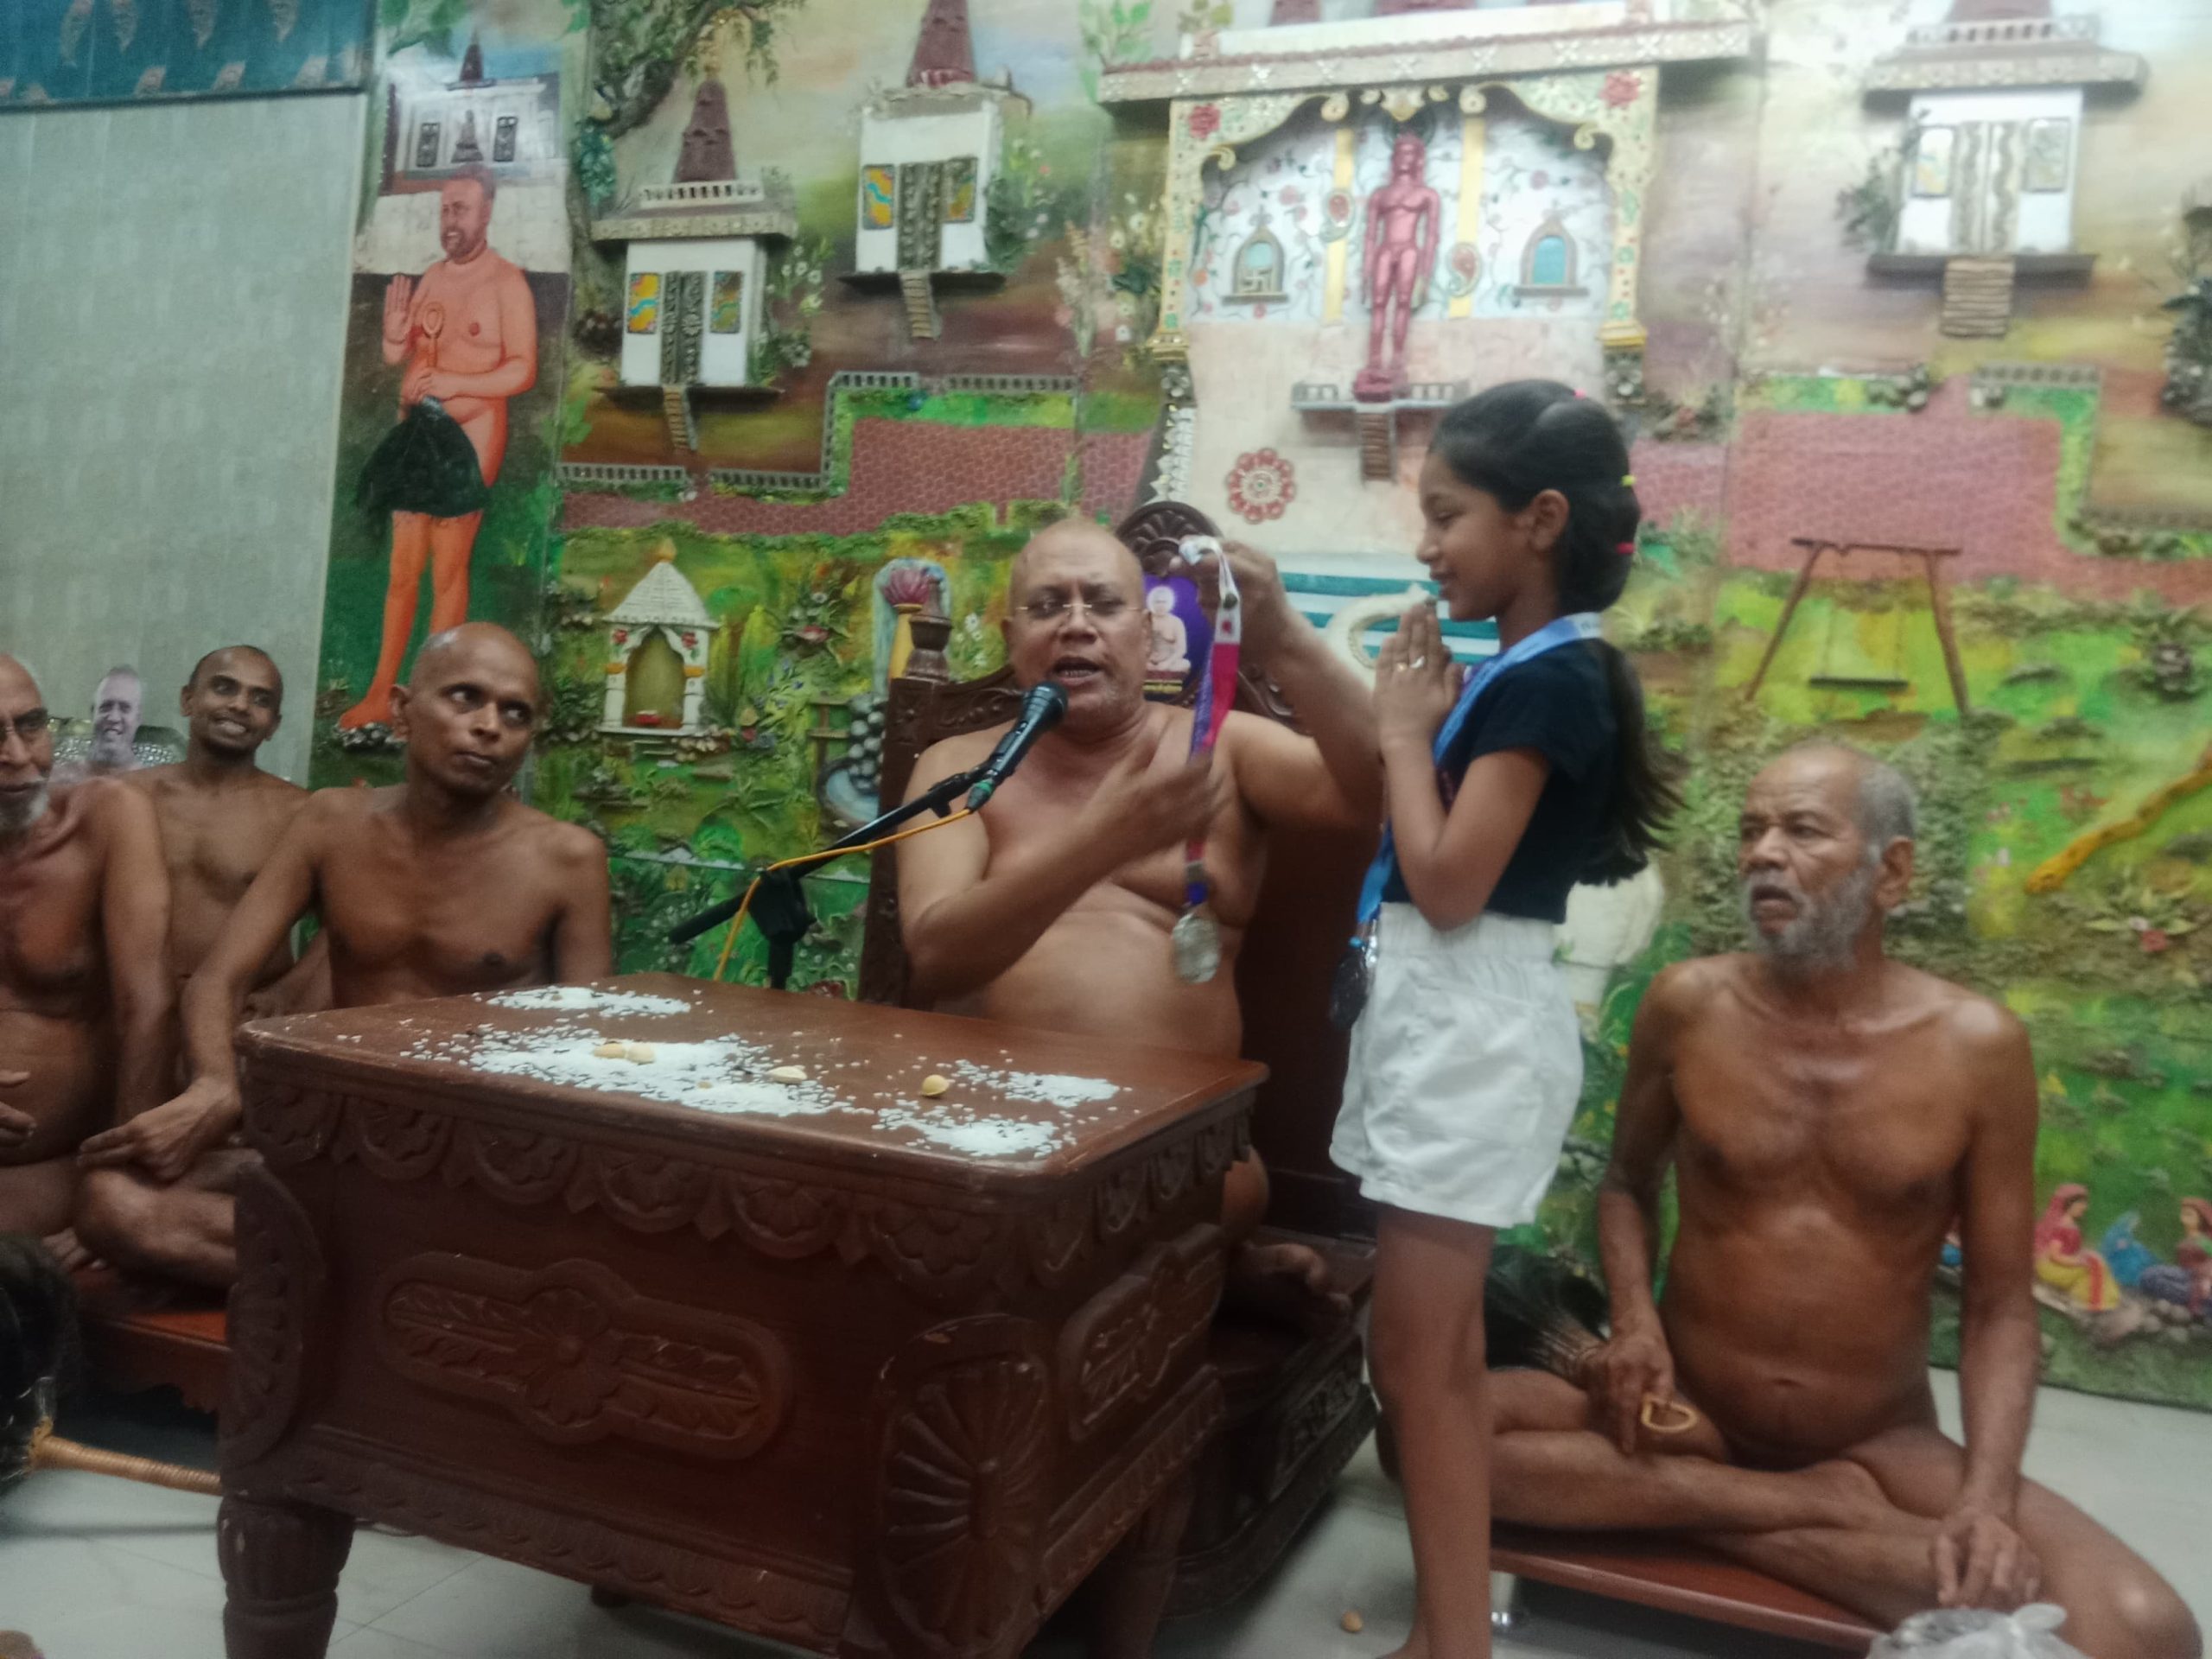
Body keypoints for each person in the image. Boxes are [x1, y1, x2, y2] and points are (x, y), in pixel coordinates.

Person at [1487, 744, 2200, 1659]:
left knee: (2147, 1630)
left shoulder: (1979, 1048)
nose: (1762, 853)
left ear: (1890, 871)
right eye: (1751, 831)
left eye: (1801, 830)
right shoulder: (1686, 1004)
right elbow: (1628, 1184)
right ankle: (1811, 1517)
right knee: (1437, 1440)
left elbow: (1998, 1307)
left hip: (1879, 1445)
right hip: (1685, 1411)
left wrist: (1985, 1503)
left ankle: (1693, 1508)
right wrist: (1633, 1324)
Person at [1310, 381, 1674, 1659]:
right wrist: (1415, 733)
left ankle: (1452, 1644)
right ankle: (1447, 1636)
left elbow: (1450, 882)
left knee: (1420, 1364)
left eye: (1446, 513)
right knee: (1434, 1358)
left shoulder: (1553, 680)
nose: (1426, 545)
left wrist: (1403, 735)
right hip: (1448, 1021)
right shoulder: (1533, 670)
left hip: (1466, 1030)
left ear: (1541, 520)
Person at [897, 518, 1382, 1324]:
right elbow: (938, 953)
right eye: (1047, 605)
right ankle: (1204, 1276)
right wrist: (1104, 838)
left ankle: (1199, 1268)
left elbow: (1387, 797)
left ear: (1149, 633)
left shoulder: (1223, 748)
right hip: (985, 1138)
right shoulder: (960, 767)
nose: (1075, 623)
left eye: (1103, 603)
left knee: (1142, 1216)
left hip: (1169, 1154)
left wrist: (1287, 640)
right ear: (1012, 638)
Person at [74, 625, 612, 1289]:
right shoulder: (331, 823)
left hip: (476, 1165)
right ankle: (392, 1279)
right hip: (338, 1144)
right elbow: (218, 980)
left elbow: (586, 1059)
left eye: (515, 713)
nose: (488, 726)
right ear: (401, 710)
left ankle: (363, 1274)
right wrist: (216, 1085)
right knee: (111, 1200)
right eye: (465, 697)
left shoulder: (568, 860)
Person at [339, 168, 539, 731]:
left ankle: (431, 702)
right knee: (402, 572)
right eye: (445, 209)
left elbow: (522, 370)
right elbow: (402, 354)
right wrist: (394, 337)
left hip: (470, 439)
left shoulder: (507, 283)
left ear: (487, 213)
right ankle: (381, 694)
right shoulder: (431, 276)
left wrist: (457, 384)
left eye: (462, 209)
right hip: (416, 436)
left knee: (447, 572)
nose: (451, 220)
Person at [0, 657, 171, 1268]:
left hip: (57, 1160)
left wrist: (121, 1185)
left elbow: (146, 1005)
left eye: (31, 725)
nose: (17, 755)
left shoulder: (107, 817)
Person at [124, 648, 327, 1021]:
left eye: (260, 699)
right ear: (188, 700)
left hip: (241, 1019)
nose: (240, 705)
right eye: (224, 688)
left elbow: (350, 925)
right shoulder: (126, 798)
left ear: (274, 725)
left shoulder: (301, 814)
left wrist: (288, 991)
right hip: (130, 1014)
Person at [51, 666, 148, 785]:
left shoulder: (150, 788)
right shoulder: (60, 780)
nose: (114, 718)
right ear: (93, 713)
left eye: (124, 708)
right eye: (106, 707)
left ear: (138, 718)